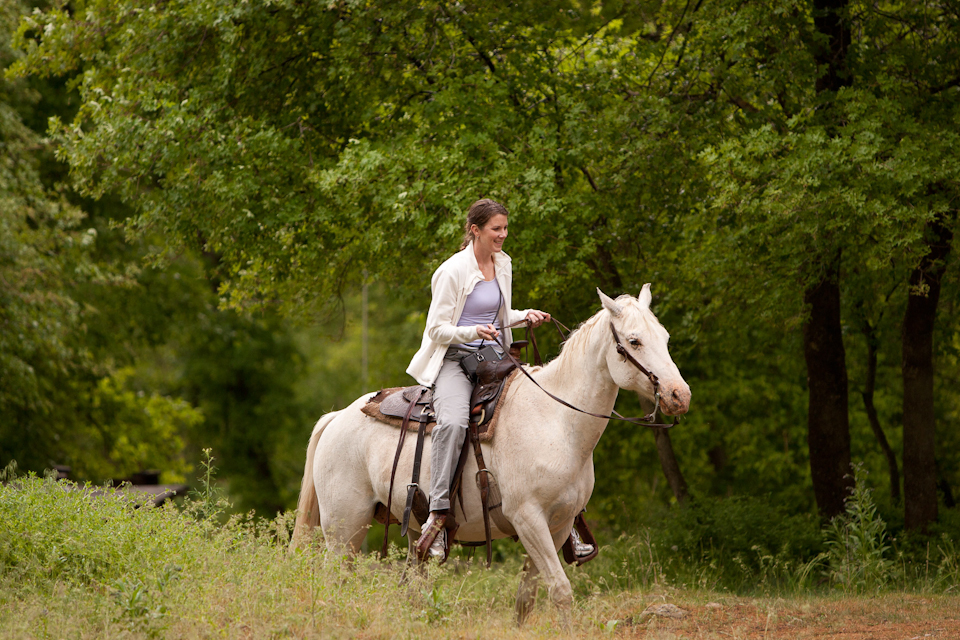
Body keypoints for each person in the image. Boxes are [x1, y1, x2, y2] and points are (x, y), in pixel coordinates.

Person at [405, 198, 594, 563]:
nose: (503, 235)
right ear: (475, 230)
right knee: (455, 422)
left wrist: (524, 316)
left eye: (505, 228)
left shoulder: (502, 263)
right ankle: (437, 518)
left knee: (542, 409)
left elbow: (500, 313)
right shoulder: (451, 271)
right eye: (496, 229)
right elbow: (436, 329)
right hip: (454, 361)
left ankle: (565, 516)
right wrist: (473, 330)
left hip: (492, 358)